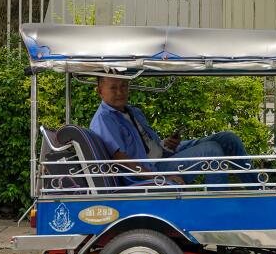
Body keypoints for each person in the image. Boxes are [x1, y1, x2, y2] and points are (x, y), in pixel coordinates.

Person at [89, 74, 248, 180]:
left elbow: (148, 146)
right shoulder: (104, 119)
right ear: (100, 91)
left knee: (228, 139)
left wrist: (166, 144)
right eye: (113, 88)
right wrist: (158, 178)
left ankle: (257, 187)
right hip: (152, 171)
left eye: (124, 86)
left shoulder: (133, 111)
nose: (120, 92)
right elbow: (122, 161)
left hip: (163, 156)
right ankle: (217, 209)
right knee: (212, 150)